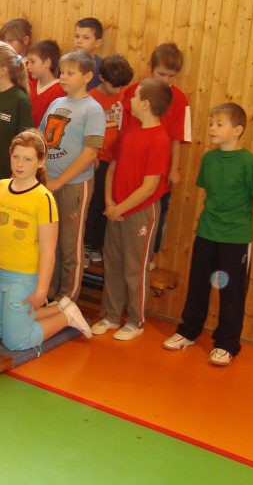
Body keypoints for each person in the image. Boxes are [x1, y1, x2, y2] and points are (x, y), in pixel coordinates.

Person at [164, 103, 253, 365]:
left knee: (231, 293)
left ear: (237, 130)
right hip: (207, 233)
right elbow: (210, 194)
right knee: (198, 285)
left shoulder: (249, 162)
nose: (212, 128)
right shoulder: (209, 159)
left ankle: (227, 344)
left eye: (219, 124)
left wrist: (247, 231)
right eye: (211, 123)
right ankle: (188, 332)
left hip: (236, 239)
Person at [0, 130, 91, 351]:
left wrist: (41, 291)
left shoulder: (43, 198)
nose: (20, 164)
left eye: (28, 159)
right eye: (16, 156)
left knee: (15, 341)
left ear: (41, 162)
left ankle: (66, 316)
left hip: (23, 277)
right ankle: (56, 308)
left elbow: (48, 251)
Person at [92, 80, 172, 341]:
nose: (131, 101)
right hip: (116, 209)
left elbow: (150, 187)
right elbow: (112, 169)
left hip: (140, 213)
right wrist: (110, 202)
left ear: (146, 104)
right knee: (113, 264)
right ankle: (111, 315)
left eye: (135, 97)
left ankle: (136, 321)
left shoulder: (160, 139)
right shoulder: (128, 133)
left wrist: (121, 208)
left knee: (135, 268)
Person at [39, 51, 105, 302]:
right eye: (62, 72)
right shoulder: (56, 103)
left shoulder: (93, 109)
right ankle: (49, 293)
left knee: (70, 245)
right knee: (50, 243)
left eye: (70, 73)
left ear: (87, 77)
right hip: (49, 182)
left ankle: (68, 300)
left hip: (74, 185)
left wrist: (59, 181)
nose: (63, 77)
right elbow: (41, 139)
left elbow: (90, 153)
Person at [119, 42, 192, 268]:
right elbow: (124, 129)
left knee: (157, 211)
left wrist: (174, 169)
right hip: (131, 165)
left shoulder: (180, 99)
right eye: (161, 74)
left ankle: (150, 253)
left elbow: (177, 138)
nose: (166, 80)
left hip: (158, 167)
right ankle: (120, 251)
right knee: (125, 206)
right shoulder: (133, 93)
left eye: (172, 76)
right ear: (150, 67)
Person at [85, 54, 134, 264]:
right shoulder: (91, 99)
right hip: (99, 161)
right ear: (102, 78)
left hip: (118, 161)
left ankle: (97, 245)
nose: (118, 90)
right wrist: (92, 156)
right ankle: (86, 245)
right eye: (115, 86)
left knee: (111, 203)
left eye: (122, 86)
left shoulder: (125, 94)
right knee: (94, 204)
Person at [0, 42, 34, 183]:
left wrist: (15, 174)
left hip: (7, 174)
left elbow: (25, 142)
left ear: (3, 70)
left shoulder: (20, 100)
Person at [25, 39, 63, 127]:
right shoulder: (30, 84)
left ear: (47, 62)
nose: (28, 66)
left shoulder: (59, 90)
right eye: (28, 62)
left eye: (32, 62)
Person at [73, 17, 104, 90]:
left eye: (86, 38)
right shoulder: (66, 61)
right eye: (77, 36)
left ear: (97, 43)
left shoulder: (102, 67)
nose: (79, 41)